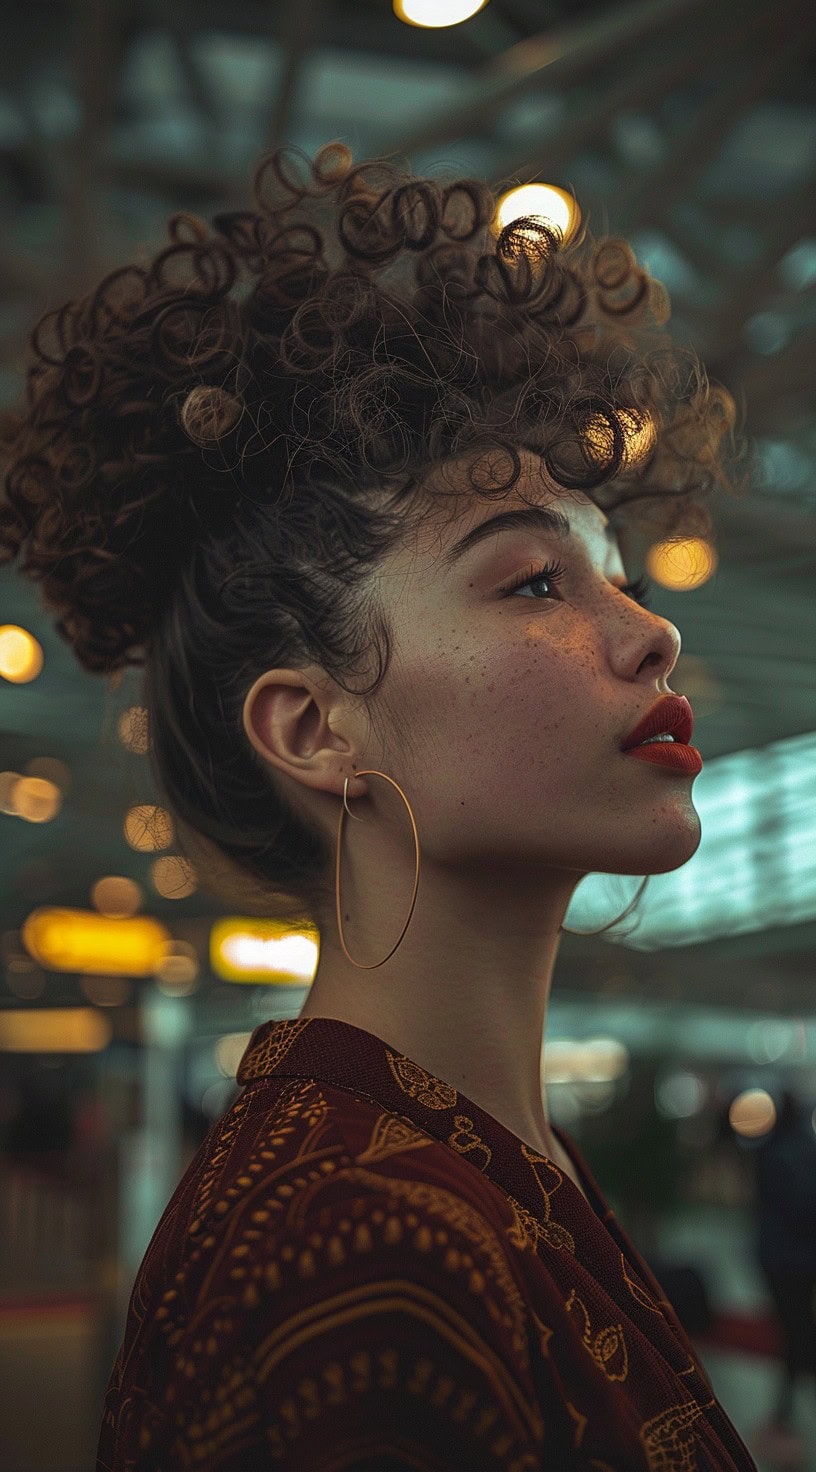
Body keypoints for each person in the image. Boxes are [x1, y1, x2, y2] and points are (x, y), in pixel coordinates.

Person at [0, 141, 755, 1469]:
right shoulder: (364, 1244)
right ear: (315, 727)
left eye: (620, 576)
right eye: (535, 584)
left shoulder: (465, 1160)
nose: (651, 636)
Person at [749, 1088, 816, 1467]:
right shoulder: (804, 1150)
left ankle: (786, 1406)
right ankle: (787, 1405)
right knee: (798, 1327)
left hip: (779, 1258)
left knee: (793, 1329)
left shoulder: (771, 1150)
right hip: (801, 1259)